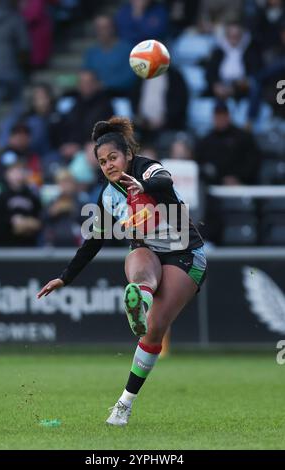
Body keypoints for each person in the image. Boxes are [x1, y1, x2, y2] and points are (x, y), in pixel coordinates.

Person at [37, 117, 207, 426]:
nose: (108, 165)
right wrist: (66, 276)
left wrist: (143, 185)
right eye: (102, 162)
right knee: (138, 259)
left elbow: (165, 181)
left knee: (155, 330)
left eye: (112, 157)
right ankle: (139, 296)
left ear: (127, 154)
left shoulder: (147, 168)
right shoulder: (107, 195)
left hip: (185, 254)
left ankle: (125, 402)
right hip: (148, 251)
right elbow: (95, 240)